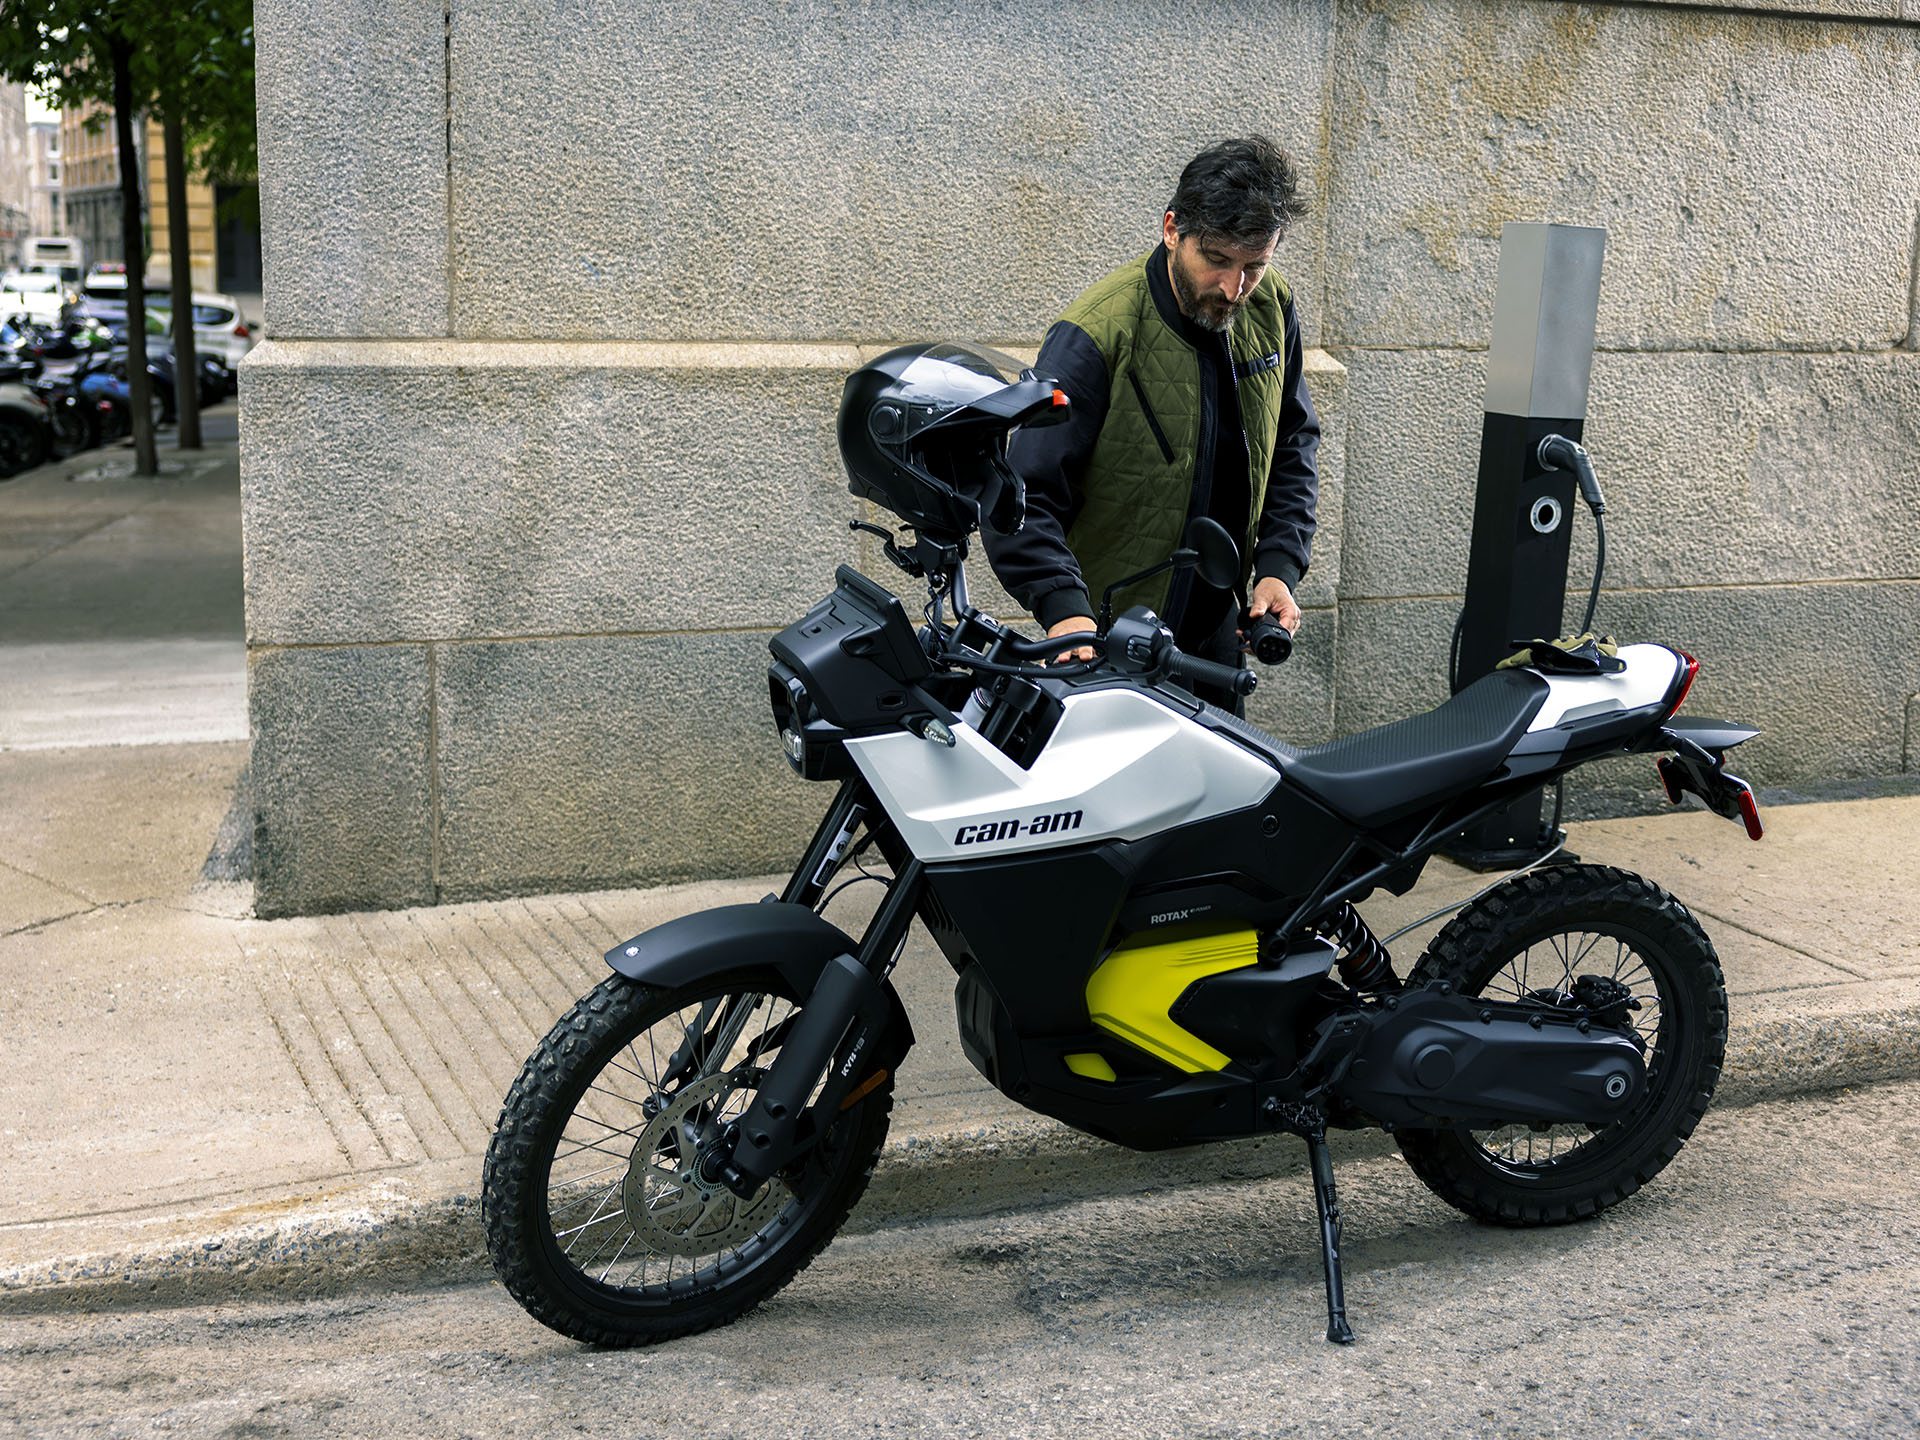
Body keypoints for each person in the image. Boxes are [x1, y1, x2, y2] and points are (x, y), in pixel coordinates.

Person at [982, 135, 1319, 715]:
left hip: (1219, 637)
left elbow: (1292, 440)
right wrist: (1067, 611)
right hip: (1113, 641)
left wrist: (1279, 569)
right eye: (1216, 260)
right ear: (1172, 230)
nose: (1234, 288)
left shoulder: (1271, 307)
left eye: (1254, 267)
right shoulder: (1095, 333)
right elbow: (1020, 495)